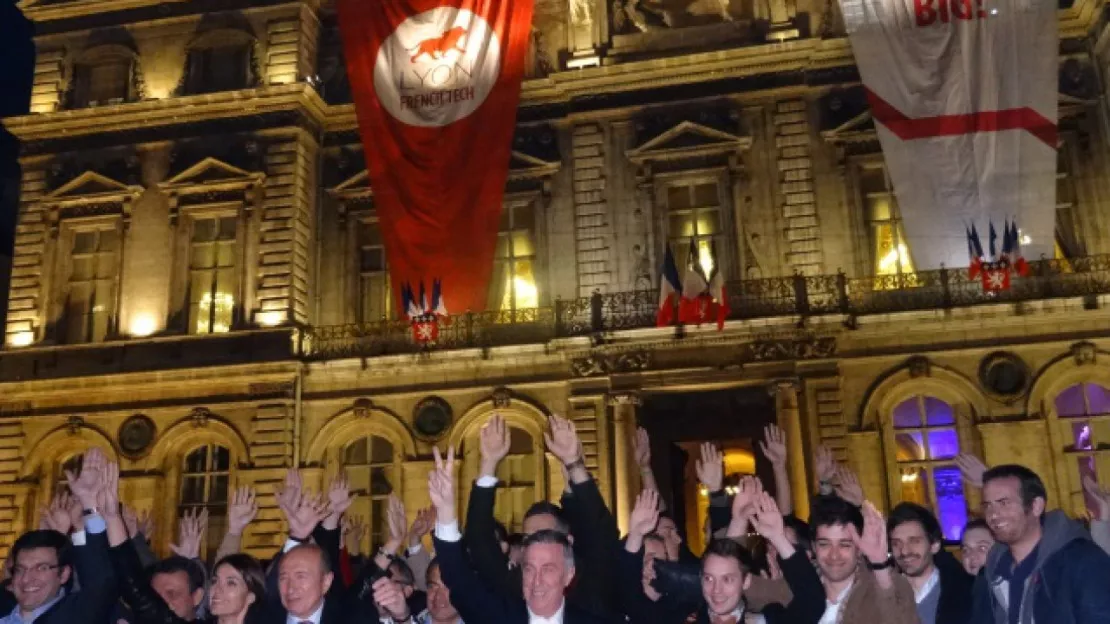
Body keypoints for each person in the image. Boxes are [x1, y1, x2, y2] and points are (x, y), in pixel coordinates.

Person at [429, 445, 611, 624]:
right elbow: (458, 577)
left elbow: (600, 535)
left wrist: (575, 468)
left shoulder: (591, 608)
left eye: (548, 569)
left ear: (569, 574)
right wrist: (446, 512)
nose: (536, 582)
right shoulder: (498, 616)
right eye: (529, 569)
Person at [463, 414, 618, 617]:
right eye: (529, 539)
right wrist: (489, 463)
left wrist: (574, 464)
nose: (535, 544)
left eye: (544, 535)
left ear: (569, 541)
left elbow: (601, 530)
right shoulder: (514, 586)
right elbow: (479, 540)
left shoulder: (590, 582)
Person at [970, 464, 1110, 623]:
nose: (993, 514)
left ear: (1036, 506)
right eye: (987, 506)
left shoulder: (1082, 563)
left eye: (1004, 503)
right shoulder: (992, 571)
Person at [1, 448, 118, 624]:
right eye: (20, 569)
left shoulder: (76, 616)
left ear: (64, 575)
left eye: (41, 568)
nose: (26, 579)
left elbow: (100, 582)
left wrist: (89, 507)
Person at [809, 495, 916, 624]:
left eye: (844, 545)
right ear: (814, 547)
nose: (834, 555)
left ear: (859, 549)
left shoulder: (890, 586)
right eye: (824, 544)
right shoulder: (797, 589)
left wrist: (879, 565)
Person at [887, 502, 972, 624]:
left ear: (934, 545)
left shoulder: (961, 593)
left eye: (914, 541)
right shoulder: (883, 595)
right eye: (896, 543)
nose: (904, 551)